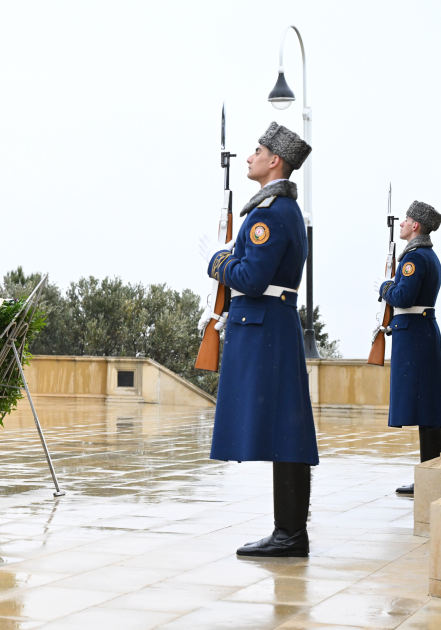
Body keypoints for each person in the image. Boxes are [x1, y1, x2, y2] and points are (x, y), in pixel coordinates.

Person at [198, 122, 317, 557]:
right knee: (286, 428)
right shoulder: (280, 210)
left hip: (264, 327)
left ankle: (289, 534)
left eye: (257, 150)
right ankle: (288, 530)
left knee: (287, 430)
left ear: (275, 161)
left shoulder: (268, 213)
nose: (249, 157)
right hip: (272, 325)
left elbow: (250, 277)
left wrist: (217, 262)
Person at [375, 201, 441, 495]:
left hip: (415, 336)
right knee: (426, 409)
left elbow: (402, 297)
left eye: (406, 219)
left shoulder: (414, 258)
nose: (402, 223)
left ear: (416, 225)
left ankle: (430, 477)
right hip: (418, 334)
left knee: (427, 411)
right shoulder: (425, 255)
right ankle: (430, 474)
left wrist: (384, 287)